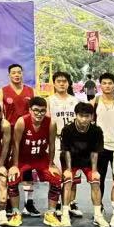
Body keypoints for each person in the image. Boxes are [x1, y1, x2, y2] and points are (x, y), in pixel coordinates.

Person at [8, 97, 62, 227]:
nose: (39, 113)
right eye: (36, 110)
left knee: (56, 178)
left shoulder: (51, 123)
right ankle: (15, 213)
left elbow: (52, 144)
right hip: (23, 158)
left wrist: (51, 164)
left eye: (42, 111)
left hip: (41, 158)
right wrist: (14, 165)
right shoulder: (22, 122)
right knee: (13, 178)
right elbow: (15, 144)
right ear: (30, 110)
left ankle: (51, 213)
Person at [0, 63, 37, 216]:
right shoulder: (2, 92)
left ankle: (29, 203)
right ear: (9, 75)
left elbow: (36, 112)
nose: (17, 75)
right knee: (8, 167)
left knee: (27, 167)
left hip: (27, 134)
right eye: (13, 72)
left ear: (22, 74)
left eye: (19, 72)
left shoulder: (31, 91)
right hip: (9, 134)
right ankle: (8, 201)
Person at [60, 102, 108, 227]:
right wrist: (68, 169)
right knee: (68, 181)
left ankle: (98, 215)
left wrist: (94, 171)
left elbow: (95, 152)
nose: (84, 119)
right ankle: (65, 214)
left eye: (87, 116)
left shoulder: (96, 131)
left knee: (96, 181)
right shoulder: (67, 129)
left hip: (87, 161)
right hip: (71, 160)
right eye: (81, 116)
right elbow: (67, 151)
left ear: (92, 117)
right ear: (76, 115)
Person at [92, 73, 114, 216]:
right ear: (100, 85)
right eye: (104, 83)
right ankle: (98, 206)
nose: (107, 86)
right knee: (99, 178)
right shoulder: (95, 101)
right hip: (100, 146)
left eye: (110, 83)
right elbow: (90, 122)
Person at [48, 71, 81, 218]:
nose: (62, 83)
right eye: (59, 81)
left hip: (73, 141)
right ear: (54, 83)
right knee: (56, 174)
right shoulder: (49, 101)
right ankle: (56, 204)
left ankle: (71, 203)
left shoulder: (75, 101)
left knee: (73, 174)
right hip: (56, 139)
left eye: (64, 81)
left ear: (68, 83)